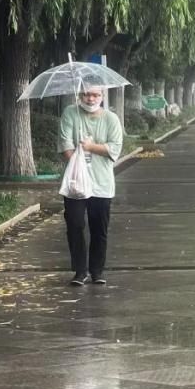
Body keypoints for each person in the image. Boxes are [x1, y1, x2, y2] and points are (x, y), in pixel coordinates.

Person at [57, 83, 123, 286]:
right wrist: (77, 163)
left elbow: (115, 148)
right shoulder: (70, 113)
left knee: (99, 228)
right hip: (75, 182)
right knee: (75, 224)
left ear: (102, 96)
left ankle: (97, 271)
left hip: (101, 183)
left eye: (95, 95)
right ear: (80, 95)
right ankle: (79, 271)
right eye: (86, 94)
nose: (90, 99)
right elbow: (64, 143)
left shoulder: (111, 119)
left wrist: (90, 147)